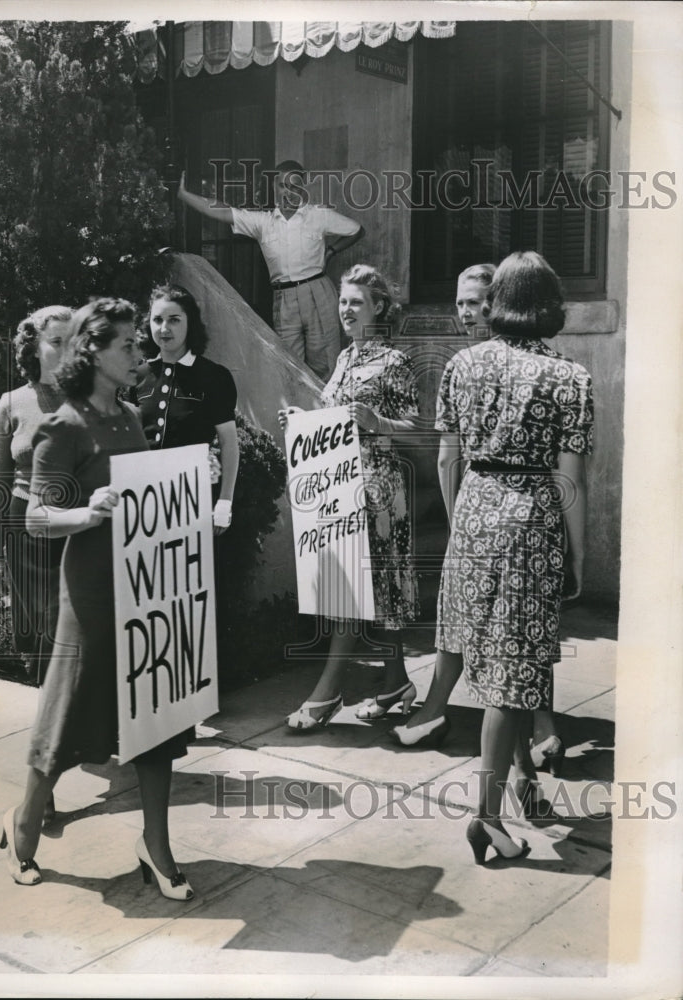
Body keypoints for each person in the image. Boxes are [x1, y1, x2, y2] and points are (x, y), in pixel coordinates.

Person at [396, 251, 593, 864]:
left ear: (499, 301)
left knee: (491, 662)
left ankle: (521, 785)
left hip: (474, 514)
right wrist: (576, 556)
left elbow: (445, 459)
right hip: (532, 521)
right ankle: (485, 819)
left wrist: (461, 527)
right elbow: (571, 484)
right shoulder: (571, 379)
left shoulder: (462, 364)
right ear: (550, 304)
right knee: (512, 678)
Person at [0, 298, 195, 900]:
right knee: (68, 716)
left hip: (143, 584)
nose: (140, 352)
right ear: (95, 352)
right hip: (87, 589)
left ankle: (156, 846)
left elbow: (145, 497)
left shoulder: (132, 417)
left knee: (156, 712)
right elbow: (35, 519)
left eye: (140, 343)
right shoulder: (65, 424)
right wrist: (88, 511)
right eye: (129, 345)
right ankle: (26, 820)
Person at [278, 264, 420, 730]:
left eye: (355, 301)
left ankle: (328, 691)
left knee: (356, 591)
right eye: (343, 301)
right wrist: (301, 419)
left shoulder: (393, 362)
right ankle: (396, 680)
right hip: (339, 489)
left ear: (379, 307)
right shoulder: (344, 360)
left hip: (378, 492)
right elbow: (331, 419)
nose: (345, 309)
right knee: (359, 588)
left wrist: (378, 422)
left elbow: (416, 431)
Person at [177, 161, 364, 381]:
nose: (288, 192)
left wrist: (330, 252)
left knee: (324, 364)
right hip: (284, 299)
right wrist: (184, 195)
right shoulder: (263, 222)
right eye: (283, 185)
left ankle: (324, 414)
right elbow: (223, 211)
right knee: (290, 369)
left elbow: (357, 230)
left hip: (318, 293)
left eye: (295, 186)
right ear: (275, 186)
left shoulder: (318, 216)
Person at [0, 305, 73, 684]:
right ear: (34, 347)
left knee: (75, 628)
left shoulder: (97, 399)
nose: (68, 350)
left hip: (79, 527)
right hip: (26, 530)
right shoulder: (11, 403)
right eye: (57, 342)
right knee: (39, 636)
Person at [134, 284, 239, 534]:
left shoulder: (214, 376)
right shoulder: (136, 375)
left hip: (192, 501)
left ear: (189, 323)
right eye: (157, 319)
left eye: (174, 320)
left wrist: (224, 502)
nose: (164, 328)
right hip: (140, 503)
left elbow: (229, 443)